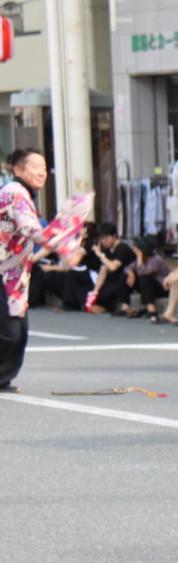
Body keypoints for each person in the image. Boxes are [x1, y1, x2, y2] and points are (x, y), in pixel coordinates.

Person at [0, 148, 89, 392]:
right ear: (18, 170)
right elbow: (31, 230)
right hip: (4, 273)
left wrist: (66, 242)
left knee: (18, 330)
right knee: (10, 331)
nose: (41, 172)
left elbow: (31, 239)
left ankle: (2, 378)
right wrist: (66, 244)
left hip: (14, 274)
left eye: (43, 167)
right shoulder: (16, 193)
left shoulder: (21, 194)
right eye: (35, 167)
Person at [89, 223, 136, 316]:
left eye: (106, 238)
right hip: (113, 277)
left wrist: (100, 255)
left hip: (126, 278)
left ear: (114, 236)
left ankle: (120, 308)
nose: (104, 241)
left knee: (111, 291)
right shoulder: (106, 249)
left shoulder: (122, 248)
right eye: (101, 239)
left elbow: (113, 267)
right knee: (99, 292)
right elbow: (103, 269)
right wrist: (95, 290)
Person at [129, 236, 171, 321]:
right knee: (127, 276)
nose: (134, 250)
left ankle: (152, 310)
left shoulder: (156, 259)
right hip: (151, 287)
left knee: (144, 277)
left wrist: (139, 257)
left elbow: (142, 272)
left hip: (164, 288)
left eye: (137, 249)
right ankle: (125, 306)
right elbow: (128, 268)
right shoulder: (142, 259)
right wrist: (130, 273)